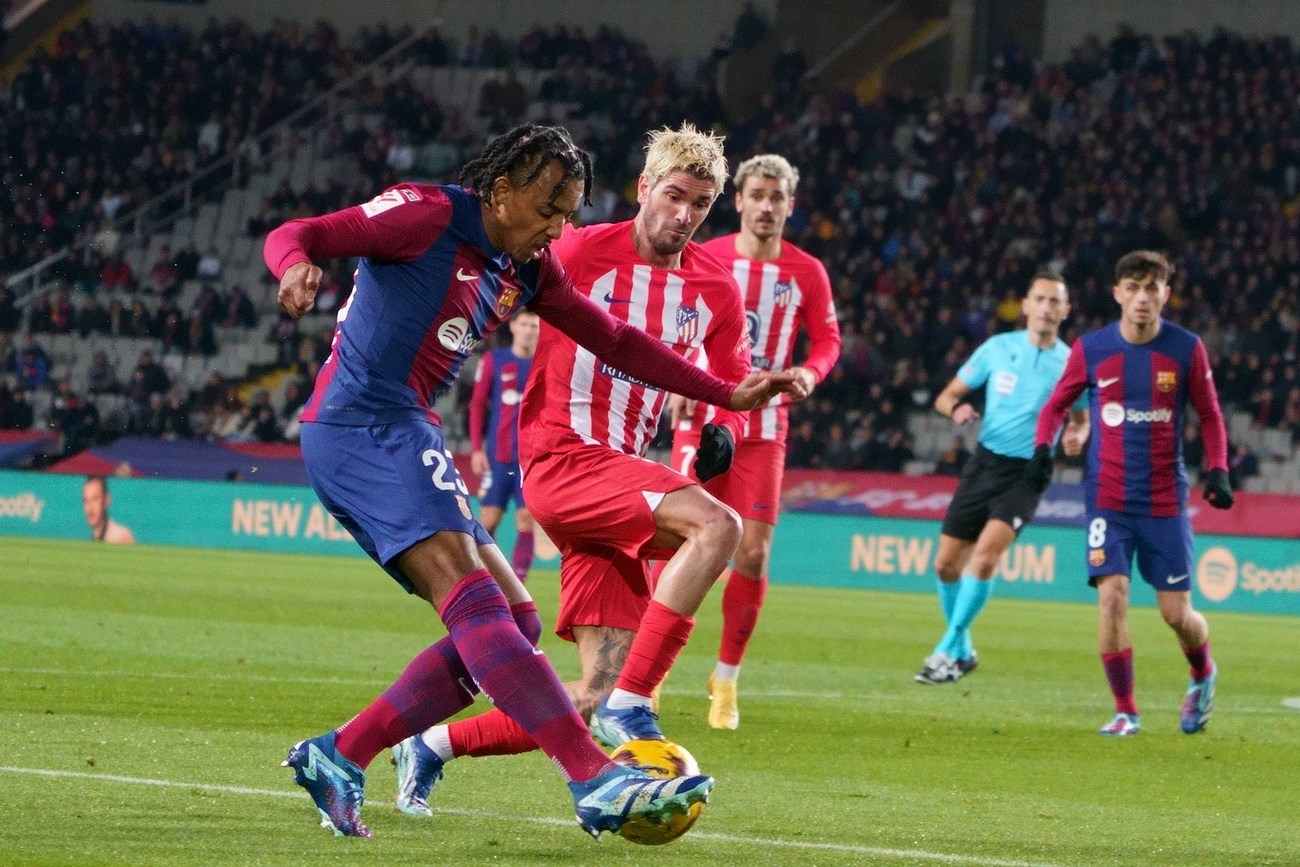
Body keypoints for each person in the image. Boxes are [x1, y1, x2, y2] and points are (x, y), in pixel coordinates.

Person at [262, 123, 795, 840]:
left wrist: (724, 395)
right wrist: (294, 265)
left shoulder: (527, 267)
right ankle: (594, 776)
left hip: (408, 430)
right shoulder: (426, 212)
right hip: (360, 425)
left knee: (516, 621)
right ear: (501, 190)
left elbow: (616, 341)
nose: (557, 226)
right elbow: (301, 231)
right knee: (477, 606)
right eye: (548, 207)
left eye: (569, 212)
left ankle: (342, 752)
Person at [664, 153, 841, 729]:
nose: (766, 206)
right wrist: (678, 376)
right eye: (757, 195)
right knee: (676, 542)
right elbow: (673, 320)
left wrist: (811, 373)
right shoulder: (705, 256)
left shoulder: (806, 272)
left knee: (755, 552)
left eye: (777, 197)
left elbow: (827, 340)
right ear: (738, 201)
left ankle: (726, 680)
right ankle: (654, 670)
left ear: (790, 206)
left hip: (766, 427)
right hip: (704, 415)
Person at [1027, 250, 1233, 737]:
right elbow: (1055, 406)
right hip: (1108, 498)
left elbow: (1211, 416)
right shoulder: (1092, 348)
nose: (1142, 297)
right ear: (1117, 293)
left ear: (1166, 294)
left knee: (1176, 614)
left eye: (1152, 287)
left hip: (1164, 500)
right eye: (1133, 287)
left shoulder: (1186, 348)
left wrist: (1219, 469)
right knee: (1112, 596)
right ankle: (1126, 711)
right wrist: (1042, 448)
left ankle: (1203, 673)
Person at [914, 270, 1089, 684]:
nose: (1046, 307)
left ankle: (946, 649)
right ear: (1026, 305)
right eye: (1040, 299)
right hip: (985, 463)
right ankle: (963, 651)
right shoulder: (997, 349)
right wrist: (955, 409)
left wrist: (1077, 437)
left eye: (1055, 301)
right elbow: (946, 396)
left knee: (987, 555)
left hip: (1029, 471)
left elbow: (1081, 420)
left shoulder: (1071, 364)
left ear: (1065, 311)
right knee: (944, 565)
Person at [467, 310, 539, 582]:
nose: (530, 330)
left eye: (534, 325)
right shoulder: (494, 360)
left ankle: (517, 585)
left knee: (526, 520)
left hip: (530, 459)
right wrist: (476, 448)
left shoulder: (544, 364)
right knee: (488, 522)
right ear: (513, 326)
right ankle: (486, 581)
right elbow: (477, 405)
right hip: (498, 456)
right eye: (525, 324)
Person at [82, 476, 135, 544]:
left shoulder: (121, 537)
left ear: (107, 500)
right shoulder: (93, 537)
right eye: (86, 500)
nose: (89, 508)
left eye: (95, 499)